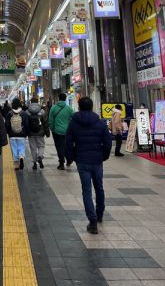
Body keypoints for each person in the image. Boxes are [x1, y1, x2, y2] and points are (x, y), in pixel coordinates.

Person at [65, 96, 112, 234]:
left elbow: (68, 142)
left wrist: (72, 156)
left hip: (82, 160)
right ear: (92, 107)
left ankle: (92, 222)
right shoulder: (100, 122)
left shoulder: (74, 122)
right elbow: (108, 142)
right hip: (97, 160)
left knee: (86, 190)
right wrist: (104, 155)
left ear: (79, 107)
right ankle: (100, 214)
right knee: (99, 188)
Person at [48, 93, 74, 169]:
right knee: (66, 146)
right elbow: (73, 118)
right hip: (67, 131)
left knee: (59, 147)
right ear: (65, 99)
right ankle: (69, 159)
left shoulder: (53, 108)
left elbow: (50, 120)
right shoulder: (69, 109)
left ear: (58, 98)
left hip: (57, 131)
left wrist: (52, 128)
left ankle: (61, 163)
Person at [26, 96, 50, 170]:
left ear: (31, 102)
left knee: (33, 148)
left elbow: (26, 123)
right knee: (41, 146)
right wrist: (47, 132)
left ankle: (34, 163)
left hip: (31, 133)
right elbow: (45, 123)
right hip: (40, 132)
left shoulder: (27, 111)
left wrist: (26, 132)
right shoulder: (42, 111)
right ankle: (40, 156)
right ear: (37, 102)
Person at [5, 98, 29, 170]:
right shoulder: (23, 113)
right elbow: (26, 124)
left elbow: (7, 124)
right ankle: (21, 156)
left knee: (14, 148)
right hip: (22, 134)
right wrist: (26, 133)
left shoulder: (9, 113)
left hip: (12, 135)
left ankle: (16, 164)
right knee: (21, 147)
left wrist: (8, 132)